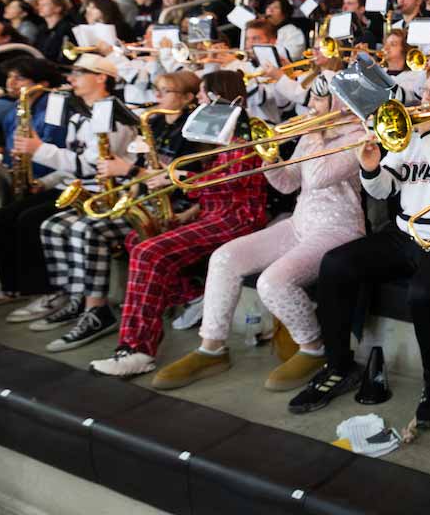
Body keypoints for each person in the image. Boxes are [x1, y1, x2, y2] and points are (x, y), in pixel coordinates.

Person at [288, 64, 430, 422]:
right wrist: (370, 168)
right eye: (425, 90)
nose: (425, 98)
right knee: (335, 263)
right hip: (406, 235)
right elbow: (384, 190)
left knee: (423, 293)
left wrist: (429, 137)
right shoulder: (411, 133)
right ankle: (339, 365)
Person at [152, 76, 367, 391]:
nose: (310, 107)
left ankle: (313, 347)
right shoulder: (312, 135)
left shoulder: (358, 135)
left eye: (318, 101)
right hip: (300, 222)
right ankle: (211, 348)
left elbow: (321, 177)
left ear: (339, 103)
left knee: (273, 282)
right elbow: (288, 183)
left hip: (339, 228)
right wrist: (268, 155)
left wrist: (315, 133)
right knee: (224, 258)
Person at [90, 71, 271, 378]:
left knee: (150, 252)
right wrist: (187, 206)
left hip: (237, 218)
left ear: (224, 96)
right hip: (214, 212)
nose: (200, 101)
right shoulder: (219, 130)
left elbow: (229, 182)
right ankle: (191, 295)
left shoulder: (248, 133)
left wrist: (178, 179)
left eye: (204, 96)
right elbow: (212, 187)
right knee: (137, 240)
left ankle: (138, 349)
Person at [31, 72, 200, 351]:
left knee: (87, 229)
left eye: (165, 91)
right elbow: (143, 171)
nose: (156, 97)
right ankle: (76, 297)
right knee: (54, 225)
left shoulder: (192, 131)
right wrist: (128, 190)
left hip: (173, 206)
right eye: (156, 90)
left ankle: (97, 311)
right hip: (142, 198)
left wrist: (130, 171)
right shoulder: (154, 122)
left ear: (187, 98)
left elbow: (187, 183)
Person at [0, 55, 132, 318]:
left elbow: (93, 167)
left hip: (97, 191)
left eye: (80, 72)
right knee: (2, 218)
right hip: (72, 185)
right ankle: (18, 288)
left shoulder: (112, 116)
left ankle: (50, 292)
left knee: (31, 221)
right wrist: (47, 180)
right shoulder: (81, 111)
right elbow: (72, 159)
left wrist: (39, 150)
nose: (70, 78)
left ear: (101, 78)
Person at [0, 57, 66, 217]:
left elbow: (51, 162)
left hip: (45, 181)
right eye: (9, 76)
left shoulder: (55, 109)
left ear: (43, 84)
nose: (10, 83)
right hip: (17, 175)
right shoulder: (16, 108)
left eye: (19, 78)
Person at [33, 0, 71, 64]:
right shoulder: (42, 28)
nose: (39, 7)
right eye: (39, 5)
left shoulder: (66, 28)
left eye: (44, 5)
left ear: (58, 8)